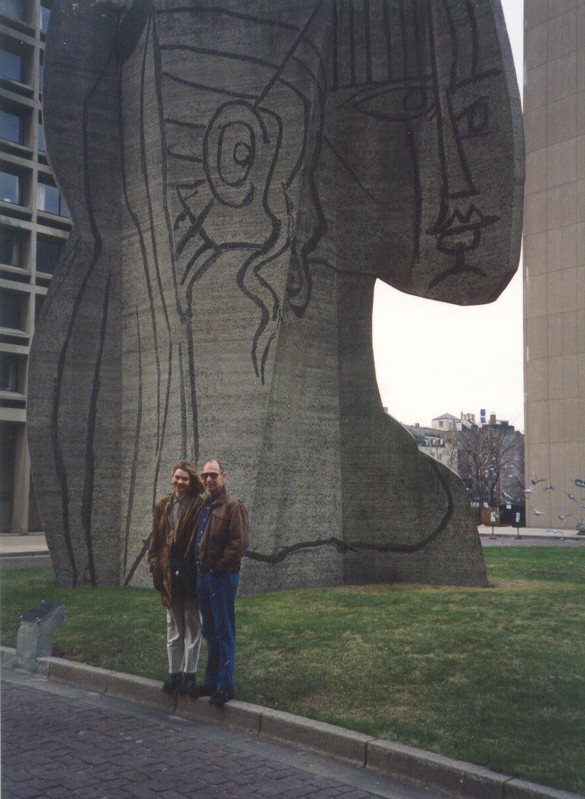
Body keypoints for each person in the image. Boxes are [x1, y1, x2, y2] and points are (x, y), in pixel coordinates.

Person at [194, 459, 249, 706]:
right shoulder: (205, 506)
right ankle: (211, 681)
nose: (208, 479)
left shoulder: (233, 506)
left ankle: (225, 685)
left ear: (223, 476)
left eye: (213, 475)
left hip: (222, 577)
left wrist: (218, 567)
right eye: (205, 475)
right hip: (205, 577)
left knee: (224, 630)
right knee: (210, 630)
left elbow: (239, 544)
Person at [147, 460, 205, 696]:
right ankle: (174, 674)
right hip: (168, 576)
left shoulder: (198, 505)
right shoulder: (162, 506)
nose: (180, 482)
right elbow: (155, 538)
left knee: (192, 624)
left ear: (191, 481)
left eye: (185, 478)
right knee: (173, 626)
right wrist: (154, 563)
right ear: (172, 478)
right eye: (177, 477)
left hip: (189, 574)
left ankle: (190, 675)